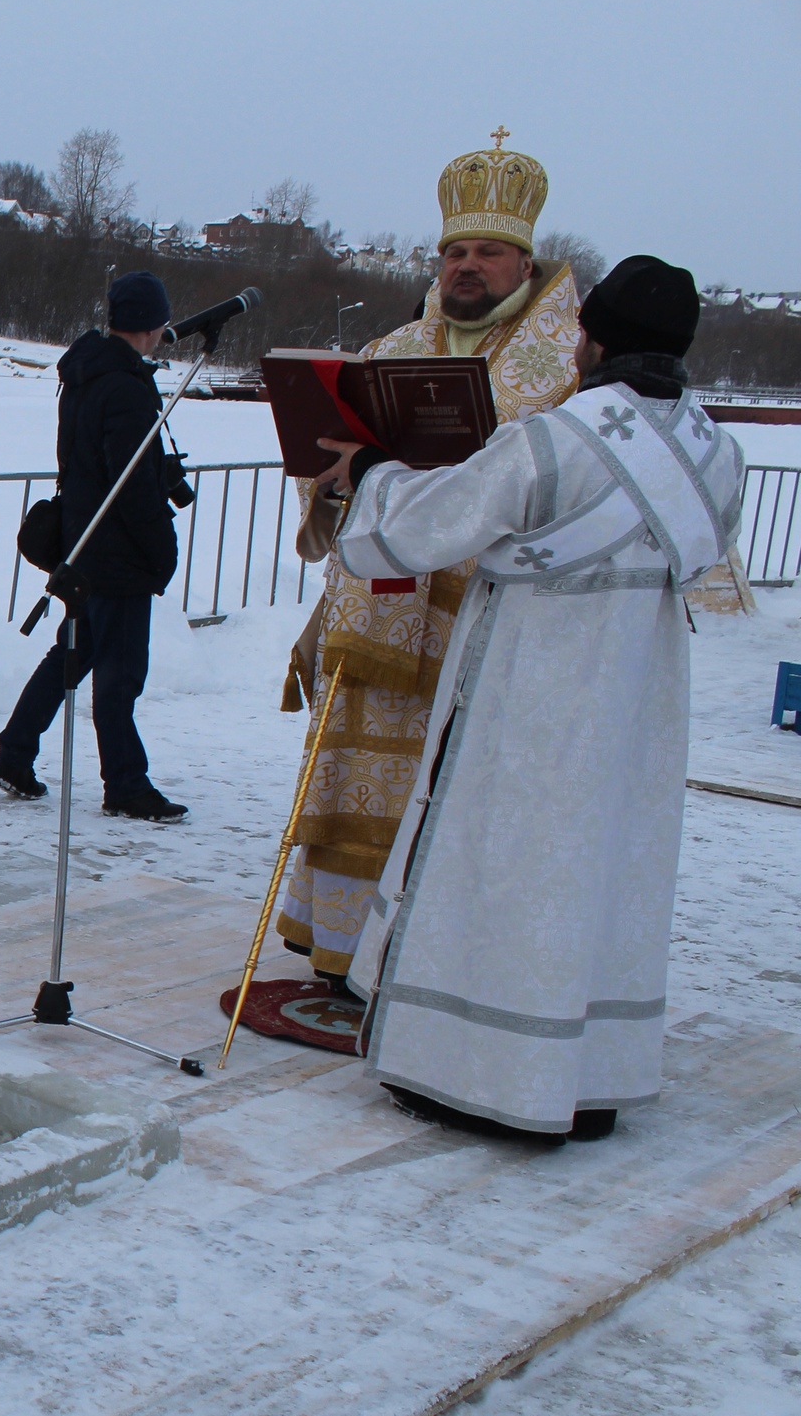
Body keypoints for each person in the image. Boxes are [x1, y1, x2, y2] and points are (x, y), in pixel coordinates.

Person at [312, 255, 740, 1141]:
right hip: (636, 710)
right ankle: (586, 1080)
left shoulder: (557, 439)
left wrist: (374, 473)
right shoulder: (716, 453)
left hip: (530, 697)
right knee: (605, 874)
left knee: (501, 870)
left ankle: (474, 1074)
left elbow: (424, 526)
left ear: (591, 339)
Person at [275, 137, 581, 990]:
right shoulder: (393, 343)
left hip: (474, 618)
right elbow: (327, 469)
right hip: (377, 607)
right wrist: (330, 479)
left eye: (486, 251)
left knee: (446, 793)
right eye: (455, 251)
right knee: (352, 778)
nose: (467, 266)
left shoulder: (565, 361)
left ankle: (426, 964)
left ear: (525, 258)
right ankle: (338, 954)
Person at [0, 271, 185, 823]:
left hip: (82, 541)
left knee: (74, 654)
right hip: (116, 553)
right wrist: (160, 548)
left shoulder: (86, 375)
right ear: (153, 323)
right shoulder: (124, 385)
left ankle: (14, 753)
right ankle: (125, 784)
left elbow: (95, 464)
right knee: (119, 673)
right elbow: (130, 481)